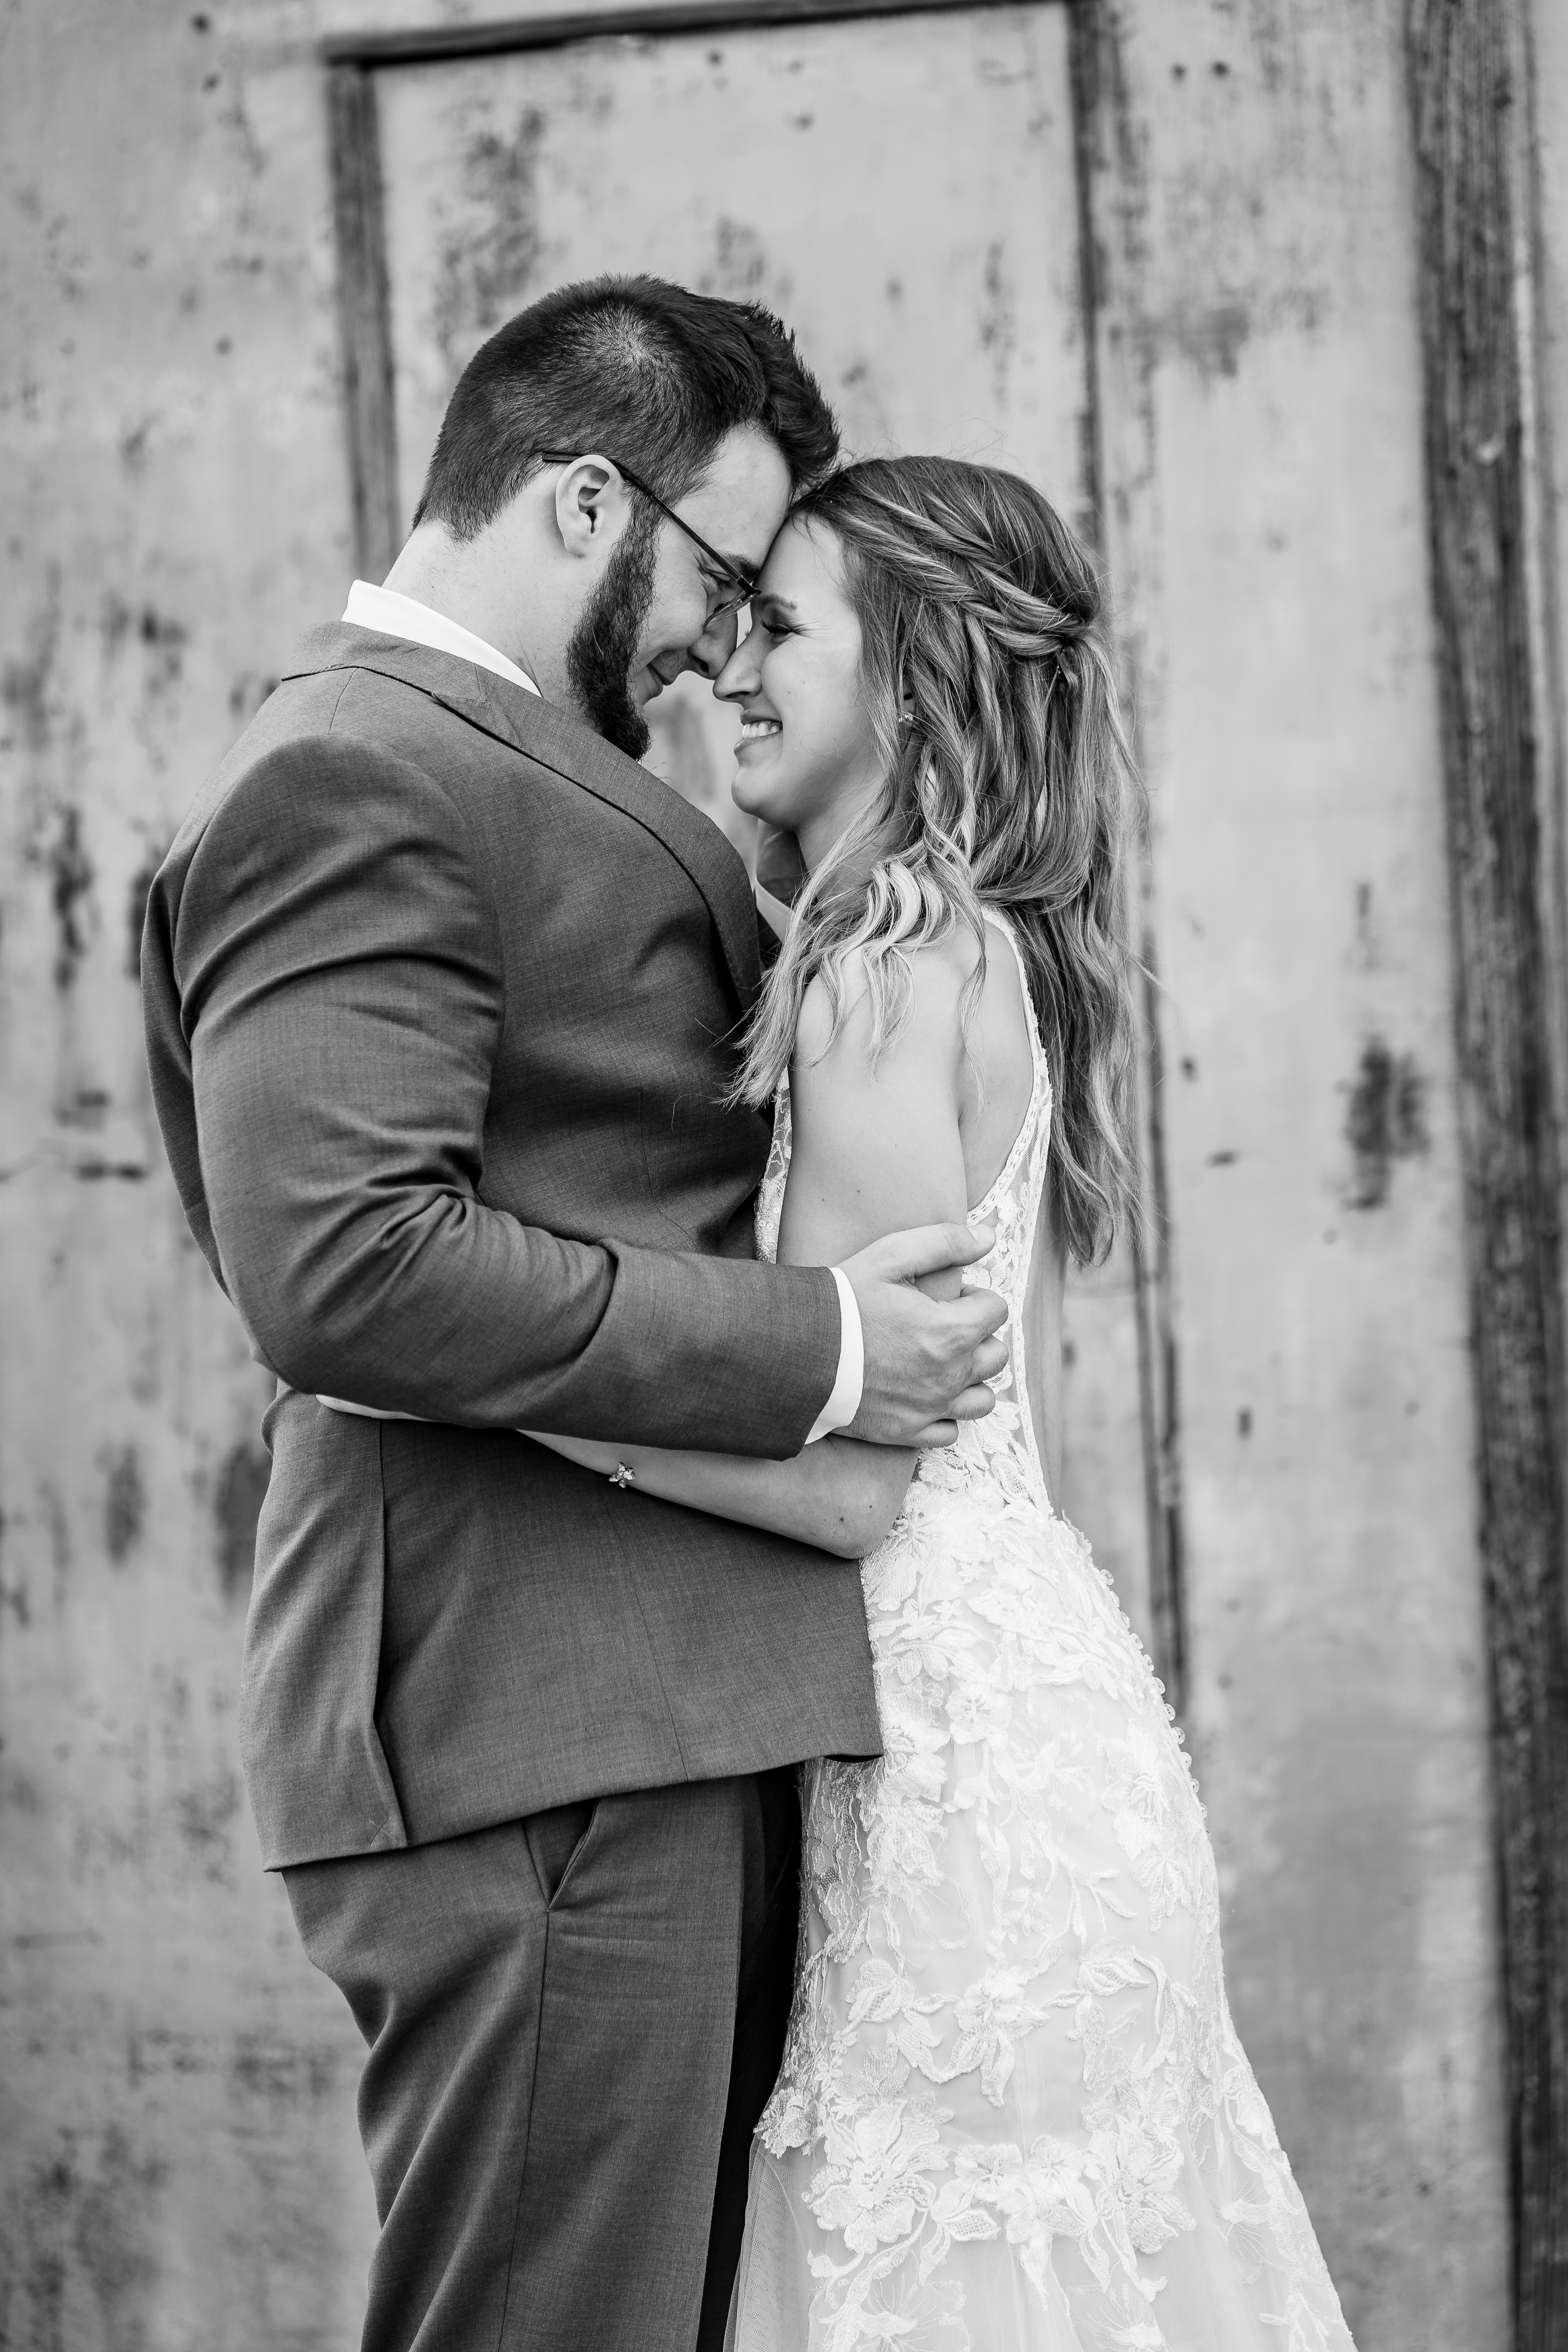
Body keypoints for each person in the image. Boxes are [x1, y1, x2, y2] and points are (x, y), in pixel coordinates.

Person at [140, 280, 1011, 2352]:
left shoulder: (498, 765)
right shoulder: (353, 772)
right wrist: (817, 1346)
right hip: (533, 1734)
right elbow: (344, 1263)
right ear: (586, 501)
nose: (726, 639)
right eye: (723, 575)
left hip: (635, 1715)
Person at [538, 457, 1359, 2351]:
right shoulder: (960, 951)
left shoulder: (886, 973)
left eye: (782, 627)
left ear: (905, 681)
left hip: (960, 1816)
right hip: (1014, 1744)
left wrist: (543, 1405)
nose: (729, 668)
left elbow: (855, 1488)